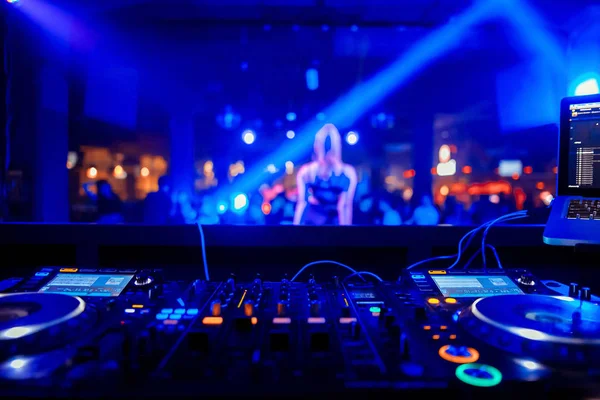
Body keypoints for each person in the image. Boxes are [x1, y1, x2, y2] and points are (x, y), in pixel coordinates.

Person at [293, 123, 357, 225]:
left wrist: (346, 236)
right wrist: (295, 233)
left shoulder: (347, 174)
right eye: (325, 146)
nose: (327, 152)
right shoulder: (307, 172)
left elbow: (345, 206)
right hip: (313, 224)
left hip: (335, 227)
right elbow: (302, 203)